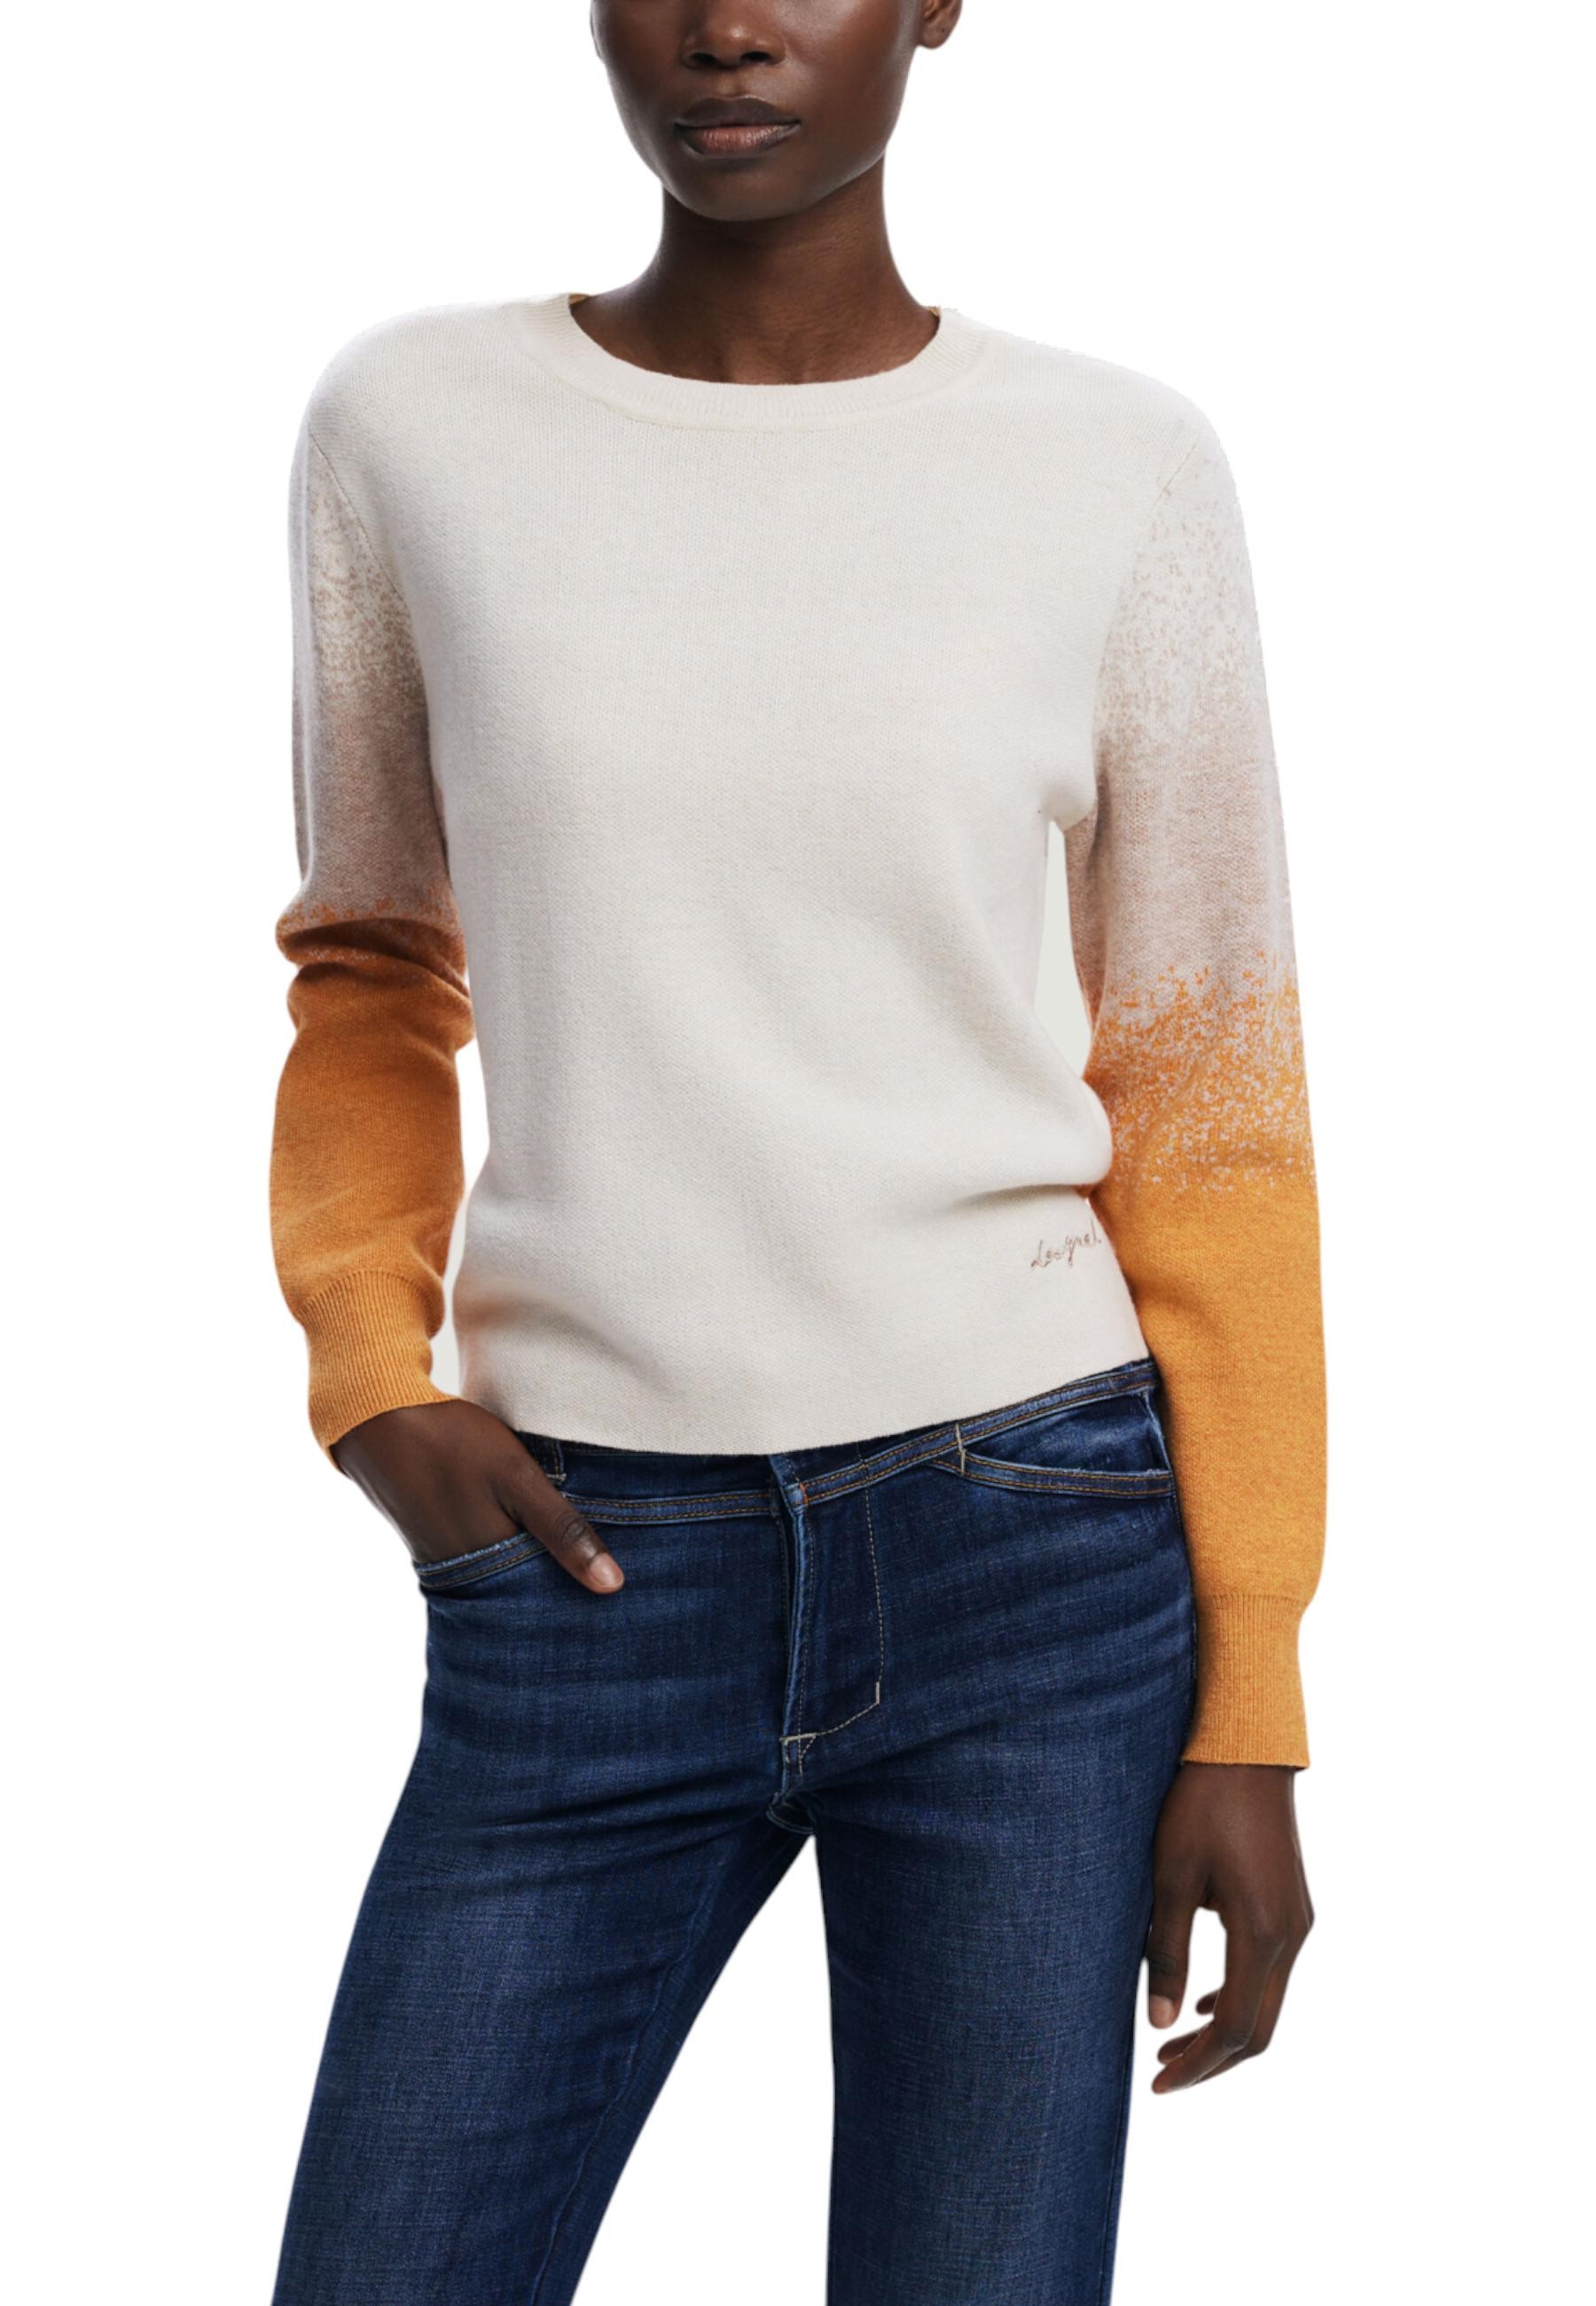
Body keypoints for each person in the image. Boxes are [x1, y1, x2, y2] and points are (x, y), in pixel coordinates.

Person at [266, 3, 1325, 2299]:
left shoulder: (1118, 471)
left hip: (1036, 1557)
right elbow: (371, 964)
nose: (727, 22)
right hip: (586, 1571)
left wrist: (1254, 1692)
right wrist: (369, 1374)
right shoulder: (413, 432)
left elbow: (1215, 1105)